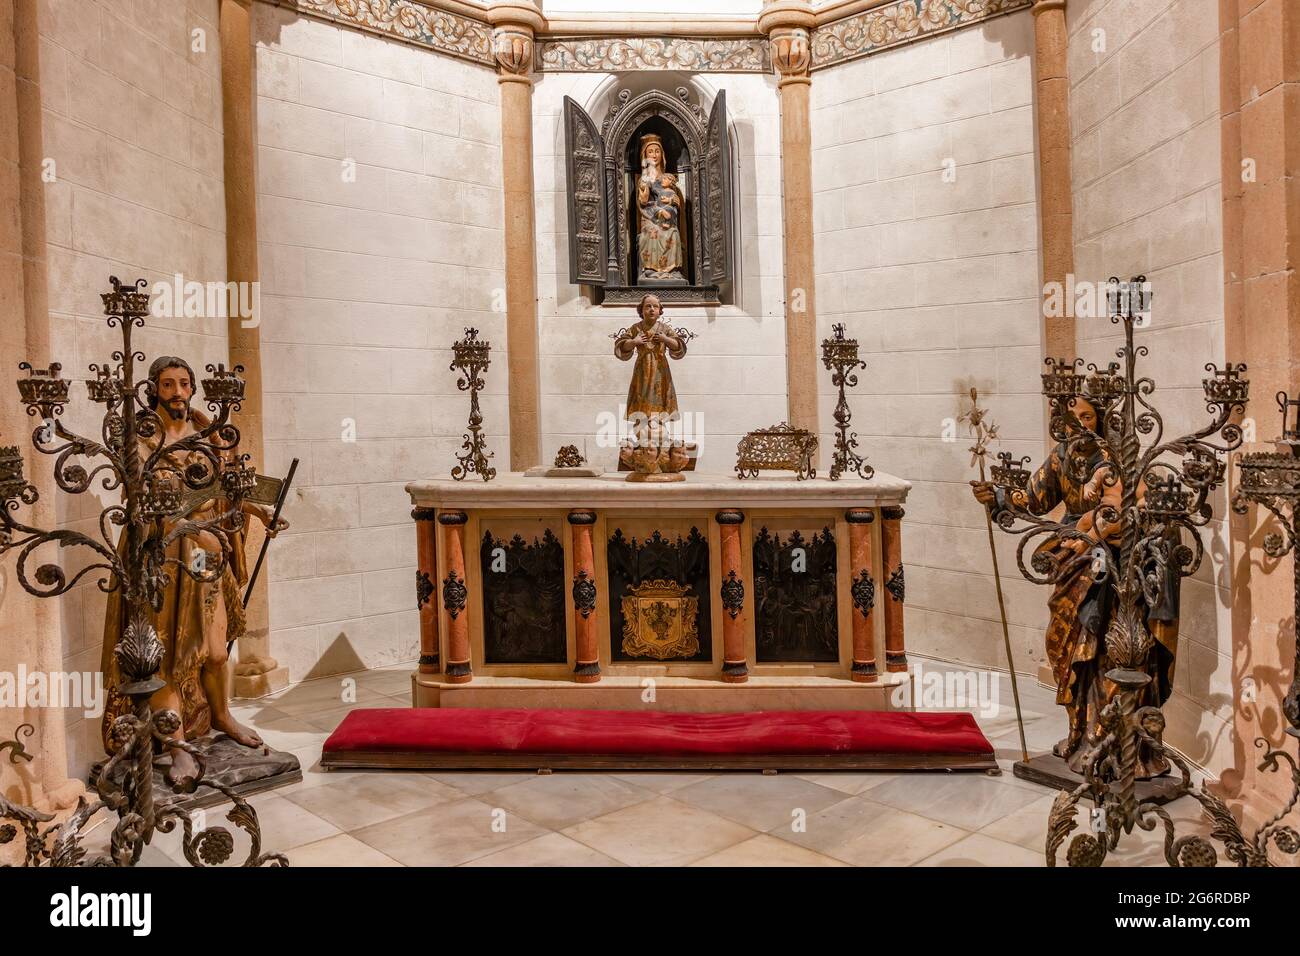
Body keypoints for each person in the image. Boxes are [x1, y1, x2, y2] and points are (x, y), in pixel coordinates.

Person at [100, 356, 286, 788]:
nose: (178, 392)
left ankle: (221, 715)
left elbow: (227, 486)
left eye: (184, 383)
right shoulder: (143, 437)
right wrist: (188, 528)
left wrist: (260, 513)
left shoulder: (208, 433)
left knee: (216, 650)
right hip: (160, 554)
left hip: (206, 555)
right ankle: (178, 745)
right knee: (167, 654)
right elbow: (142, 502)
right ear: (153, 389)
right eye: (168, 385)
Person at [971, 396, 1179, 776]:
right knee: (1065, 647)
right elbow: (1033, 498)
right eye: (1072, 417)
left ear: (1099, 420)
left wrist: (1088, 532)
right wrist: (998, 495)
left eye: (1088, 417)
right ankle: (1078, 732)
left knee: (1103, 650)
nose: (1079, 424)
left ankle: (1115, 742)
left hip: (1110, 571)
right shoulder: (1060, 458)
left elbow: (1118, 512)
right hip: (1073, 558)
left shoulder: (1112, 460)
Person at [613, 294, 687, 476]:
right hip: (642, 372)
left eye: (655, 306)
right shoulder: (636, 328)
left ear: (660, 310)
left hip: (661, 371)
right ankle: (643, 431)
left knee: (661, 400)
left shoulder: (664, 328)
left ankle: (658, 432)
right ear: (642, 310)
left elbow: (678, 346)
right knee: (642, 399)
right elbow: (621, 346)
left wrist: (665, 340)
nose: (651, 309)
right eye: (648, 306)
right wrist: (634, 342)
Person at [635, 134, 686, 281]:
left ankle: (673, 269)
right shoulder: (645, 178)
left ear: (661, 154)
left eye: (657, 151)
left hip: (668, 219)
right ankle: (651, 269)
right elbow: (643, 203)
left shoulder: (667, 177)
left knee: (674, 233)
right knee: (651, 232)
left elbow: (675, 199)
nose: (654, 155)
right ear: (645, 154)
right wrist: (644, 190)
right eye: (650, 151)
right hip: (650, 217)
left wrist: (676, 201)